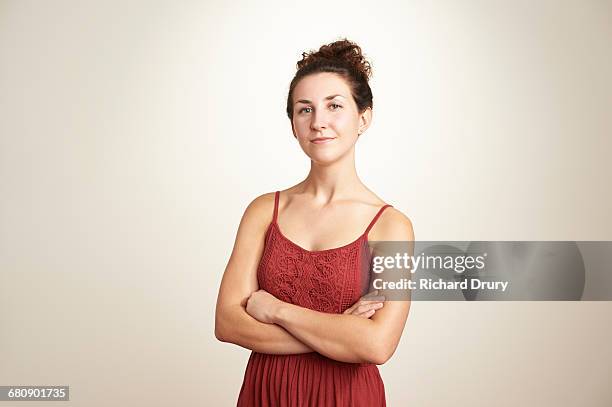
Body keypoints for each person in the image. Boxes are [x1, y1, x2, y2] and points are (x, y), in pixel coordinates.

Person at [215, 38, 413, 407]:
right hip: (267, 394)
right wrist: (341, 332)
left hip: (348, 397)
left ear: (363, 118)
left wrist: (276, 310)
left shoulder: (392, 226)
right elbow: (227, 323)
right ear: (292, 124)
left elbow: (377, 345)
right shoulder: (263, 211)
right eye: (304, 110)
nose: (318, 122)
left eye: (334, 106)